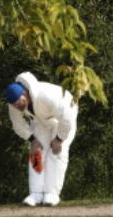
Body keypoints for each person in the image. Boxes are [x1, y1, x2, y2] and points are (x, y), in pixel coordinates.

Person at [5, 72, 77, 206]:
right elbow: (17, 124)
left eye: (18, 102)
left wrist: (59, 139)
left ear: (25, 93)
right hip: (42, 121)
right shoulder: (14, 103)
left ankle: (52, 194)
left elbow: (66, 118)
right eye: (13, 104)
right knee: (36, 152)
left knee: (57, 152)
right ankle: (36, 193)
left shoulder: (45, 95)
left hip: (65, 117)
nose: (16, 106)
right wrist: (32, 140)